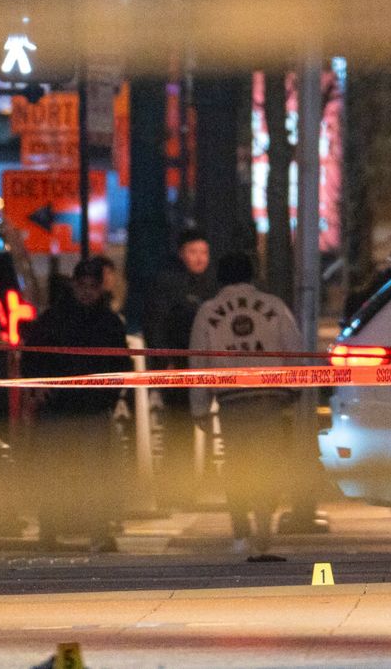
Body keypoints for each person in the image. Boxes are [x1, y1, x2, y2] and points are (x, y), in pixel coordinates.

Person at [189, 252, 303, 559]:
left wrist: (199, 407)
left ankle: (241, 531)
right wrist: (296, 389)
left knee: (237, 467)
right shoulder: (274, 306)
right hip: (270, 398)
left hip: (231, 400)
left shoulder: (208, 311)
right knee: (269, 463)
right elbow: (294, 348)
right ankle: (265, 521)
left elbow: (198, 361)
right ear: (252, 276)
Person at [22, 258, 133, 552]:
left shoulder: (104, 322)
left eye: (91, 287)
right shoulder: (58, 318)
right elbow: (32, 357)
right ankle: (52, 531)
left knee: (92, 475)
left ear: (99, 288)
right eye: (82, 286)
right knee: (57, 474)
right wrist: (38, 388)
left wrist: (107, 399)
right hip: (61, 410)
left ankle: (94, 531)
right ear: (74, 286)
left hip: (88, 410)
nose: (86, 293)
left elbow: (120, 365)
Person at [144, 229, 219, 508]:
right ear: (181, 254)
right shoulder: (169, 284)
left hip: (202, 366)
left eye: (204, 253)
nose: (199, 258)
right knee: (178, 427)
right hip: (179, 365)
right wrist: (165, 362)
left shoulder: (209, 285)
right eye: (193, 252)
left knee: (191, 425)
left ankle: (189, 485)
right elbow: (157, 324)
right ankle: (177, 488)